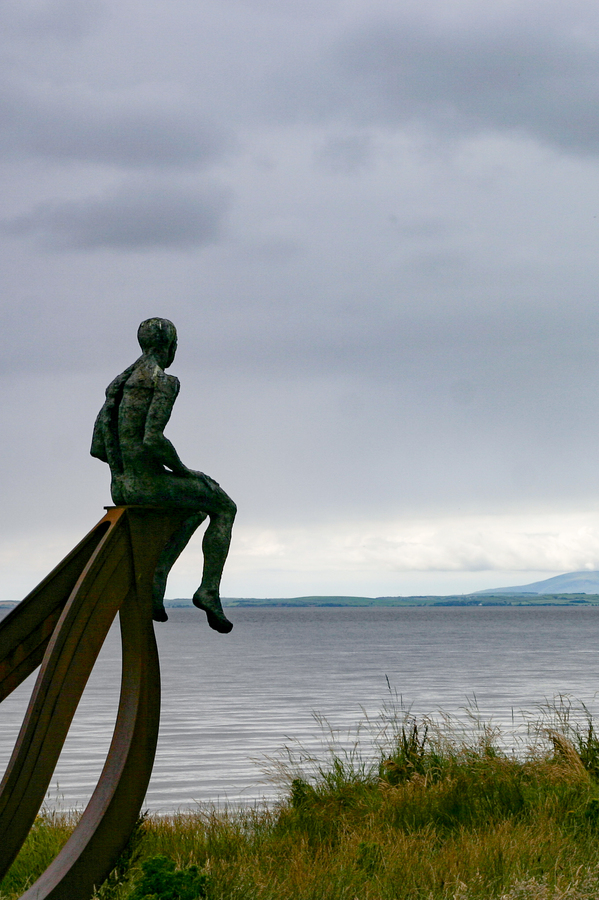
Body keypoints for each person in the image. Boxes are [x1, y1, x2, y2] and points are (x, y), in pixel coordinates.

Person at [91, 317, 236, 633]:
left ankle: (157, 579)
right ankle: (208, 590)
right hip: (148, 485)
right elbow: (153, 439)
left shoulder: (117, 386)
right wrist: (184, 472)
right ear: (171, 346)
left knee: (195, 509)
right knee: (225, 507)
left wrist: (127, 467)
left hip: (120, 486)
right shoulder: (163, 382)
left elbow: (97, 448)